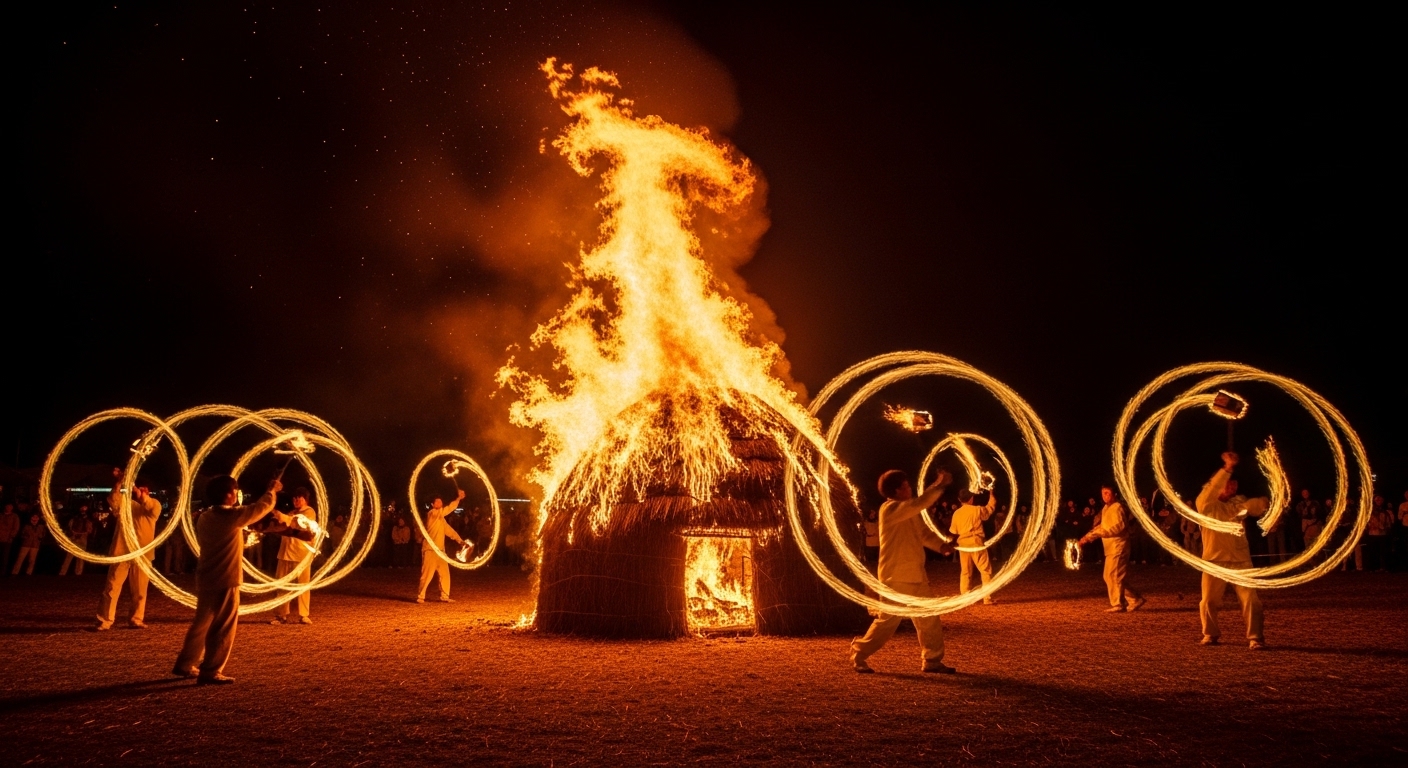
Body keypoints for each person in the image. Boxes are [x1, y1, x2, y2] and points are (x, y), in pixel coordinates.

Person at [174, 474, 287, 685]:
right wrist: (272, 490)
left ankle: (185, 663)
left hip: (206, 576)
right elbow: (259, 508)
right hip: (226, 577)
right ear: (227, 494)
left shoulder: (205, 516)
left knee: (202, 624)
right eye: (235, 491)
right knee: (223, 626)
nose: (237, 494)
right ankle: (211, 670)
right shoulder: (231, 516)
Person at [850, 468, 955, 675]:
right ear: (896, 491)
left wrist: (941, 546)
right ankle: (859, 652)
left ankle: (932, 660)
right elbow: (919, 503)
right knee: (888, 622)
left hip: (916, 572)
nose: (910, 489)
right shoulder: (889, 509)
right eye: (906, 486)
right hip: (895, 575)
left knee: (929, 618)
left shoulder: (908, 510)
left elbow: (923, 533)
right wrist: (939, 485)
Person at [1194, 451, 1267, 650]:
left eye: (1234, 483)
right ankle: (1210, 633)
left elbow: (1250, 507)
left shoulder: (1237, 503)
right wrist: (1227, 469)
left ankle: (1255, 637)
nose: (1232, 486)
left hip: (1240, 559)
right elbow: (1209, 492)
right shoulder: (1206, 504)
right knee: (1208, 600)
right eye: (1228, 483)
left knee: (1251, 600)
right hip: (1214, 560)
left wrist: (1265, 504)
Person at [94, 478, 163, 630]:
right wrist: (120, 482)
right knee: (112, 587)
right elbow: (113, 500)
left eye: (144, 489)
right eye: (139, 489)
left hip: (142, 555)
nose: (140, 491)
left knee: (139, 590)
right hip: (122, 552)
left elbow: (149, 505)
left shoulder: (154, 506)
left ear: (148, 492)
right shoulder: (126, 505)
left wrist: (135, 488)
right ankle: (105, 620)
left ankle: (136, 619)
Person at [1079, 485, 1145, 613]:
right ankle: (1134, 599)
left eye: (1107, 493)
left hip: (1119, 546)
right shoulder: (1105, 509)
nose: (1105, 496)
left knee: (1113, 575)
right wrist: (1086, 538)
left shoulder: (1117, 507)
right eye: (1103, 493)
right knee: (1110, 576)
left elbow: (1118, 527)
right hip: (1111, 547)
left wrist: (1100, 533)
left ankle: (1118, 603)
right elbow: (1102, 527)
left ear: (1114, 494)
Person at [271, 487, 317, 625]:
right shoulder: (291, 513)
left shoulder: (308, 512)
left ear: (305, 499)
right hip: (285, 553)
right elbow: (282, 526)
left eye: (299, 498)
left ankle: (304, 614)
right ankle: (281, 615)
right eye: (294, 498)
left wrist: (280, 516)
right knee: (282, 585)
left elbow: (298, 524)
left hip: (301, 554)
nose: (296, 500)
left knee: (302, 585)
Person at [416, 490, 466, 603]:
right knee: (427, 574)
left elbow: (449, 531)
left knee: (445, 574)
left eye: (441, 502)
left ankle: (445, 596)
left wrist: (460, 541)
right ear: (433, 505)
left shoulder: (441, 519)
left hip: (441, 552)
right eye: (437, 502)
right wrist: (458, 499)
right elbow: (448, 509)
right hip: (430, 550)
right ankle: (421, 596)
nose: (440, 503)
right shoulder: (432, 514)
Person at [949, 487, 998, 604]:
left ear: (959, 500)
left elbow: (953, 532)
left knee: (966, 571)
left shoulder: (956, 513)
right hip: (976, 542)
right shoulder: (976, 510)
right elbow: (989, 509)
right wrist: (991, 493)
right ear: (971, 498)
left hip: (963, 544)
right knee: (985, 570)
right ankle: (987, 598)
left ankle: (965, 598)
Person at [60, 508, 94, 576]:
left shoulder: (87, 521)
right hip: (75, 540)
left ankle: (76, 573)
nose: (83, 512)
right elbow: (69, 528)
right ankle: (63, 573)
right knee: (69, 558)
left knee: (79, 559)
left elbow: (89, 531)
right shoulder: (74, 520)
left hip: (81, 540)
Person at [0, 503, 19, 574]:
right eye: (7, 506)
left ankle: (3, 572)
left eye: (10, 506)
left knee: (5, 557)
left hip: (7, 539)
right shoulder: (1, 515)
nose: (8, 508)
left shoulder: (14, 516)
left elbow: (16, 527)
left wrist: (11, 536)